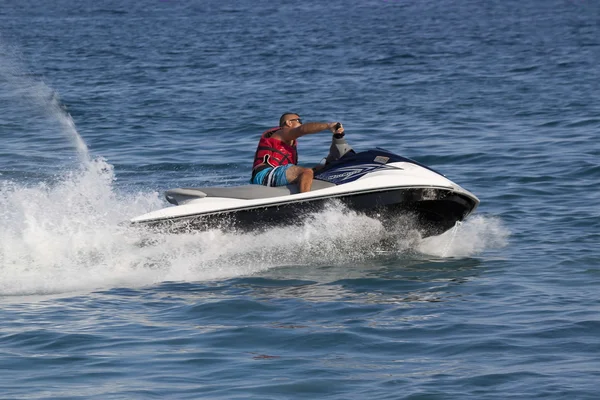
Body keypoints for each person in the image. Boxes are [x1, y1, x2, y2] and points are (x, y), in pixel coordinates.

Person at [251, 113, 344, 193]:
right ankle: (306, 204)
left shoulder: (291, 144)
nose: (301, 124)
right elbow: (302, 130)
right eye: (299, 121)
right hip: (264, 175)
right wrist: (328, 126)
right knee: (305, 171)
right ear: (288, 123)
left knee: (321, 169)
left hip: (277, 174)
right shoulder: (281, 133)